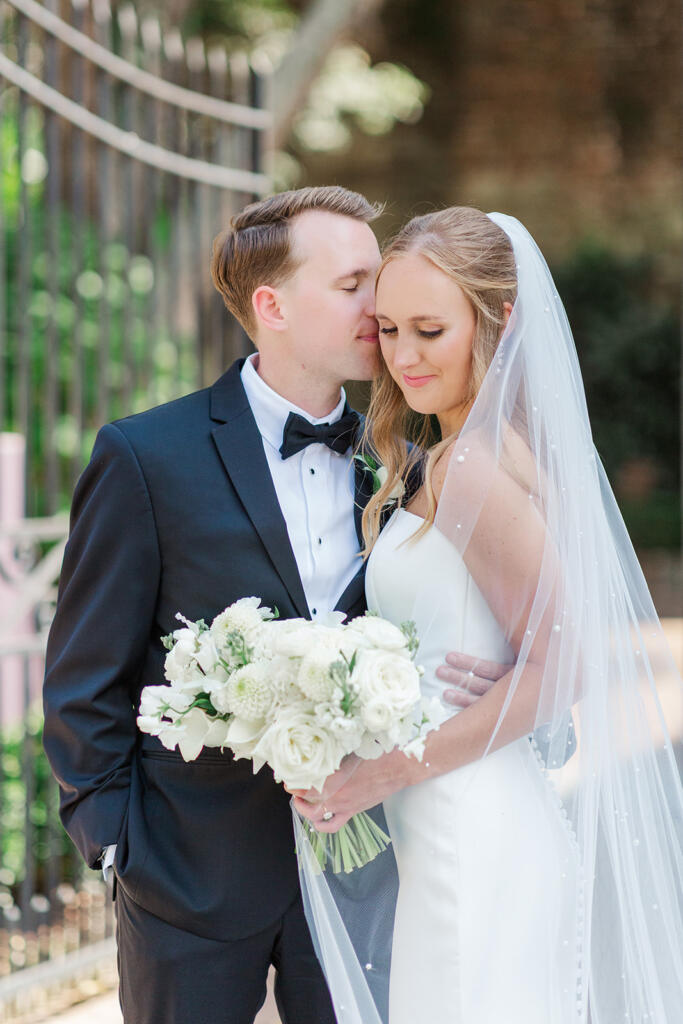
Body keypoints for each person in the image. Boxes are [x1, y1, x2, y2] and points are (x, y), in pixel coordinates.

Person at [41, 186, 498, 1024]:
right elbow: (81, 683)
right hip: (189, 878)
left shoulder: (402, 460)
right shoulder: (146, 457)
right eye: (355, 283)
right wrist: (121, 850)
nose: (381, 303)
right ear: (271, 304)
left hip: (374, 865)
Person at [293, 207, 683, 1023]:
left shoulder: (467, 468)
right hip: (449, 818)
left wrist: (385, 770)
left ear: (498, 322)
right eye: (389, 329)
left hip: (468, 831)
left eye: (430, 330)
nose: (402, 357)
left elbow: (565, 667)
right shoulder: (458, 454)